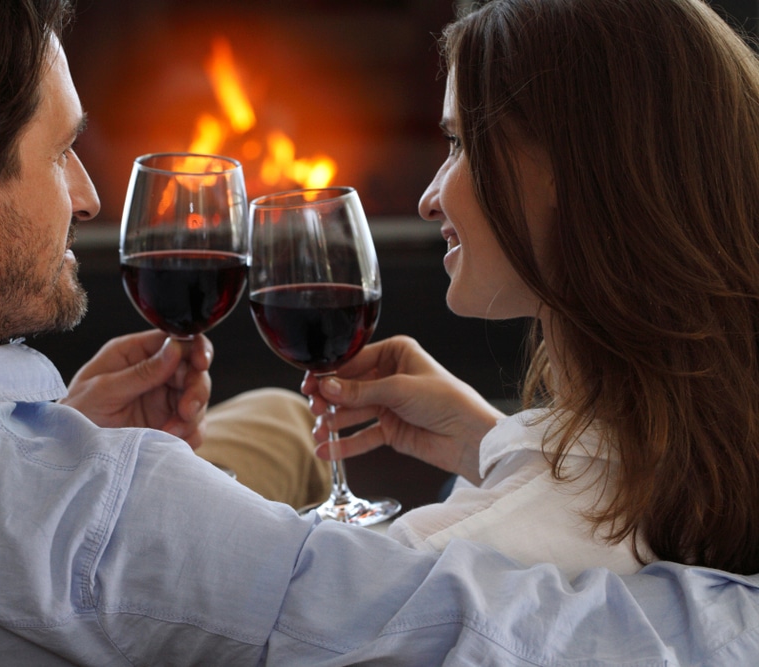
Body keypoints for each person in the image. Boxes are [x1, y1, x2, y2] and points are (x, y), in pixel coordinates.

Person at [0, 0, 757, 664]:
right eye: (61, 151)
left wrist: (58, 435)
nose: (90, 193)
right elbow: (465, 626)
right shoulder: (108, 524)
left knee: (278, 417)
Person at [305, 0, 759, 578]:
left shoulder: (446, 557)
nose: (428, 199)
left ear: (576, 170)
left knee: (273, 423)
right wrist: (490, 442)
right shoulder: (708, 469)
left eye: (460, 144)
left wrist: (153, 456)